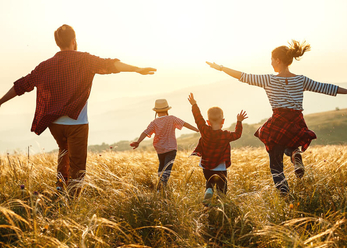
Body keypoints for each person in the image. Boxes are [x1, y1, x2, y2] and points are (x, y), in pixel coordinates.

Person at [0, 24, 156, 197]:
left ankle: (60, 189)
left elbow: (22, 85)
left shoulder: (45, 66)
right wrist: (137, 69)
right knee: (78, 165)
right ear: (74, 41)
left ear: (58, 43)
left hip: (54, 124)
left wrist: (0, 101)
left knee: (63, 152)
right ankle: (72, 200)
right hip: (77, 124)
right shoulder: (85, 60)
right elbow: (111, 65)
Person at [206, 40, 347, 195]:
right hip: (296, 122)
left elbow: (243, 76)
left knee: (276, 165)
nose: (271, 63)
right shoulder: (301, 80)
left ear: (278, 60)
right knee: (292, 143)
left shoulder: (269, 80)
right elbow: (326, 88)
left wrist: (221, 68)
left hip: (278, 122)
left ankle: (284, 193)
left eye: (272, 59)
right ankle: (295, 154)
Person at [187, 92, 248, 205]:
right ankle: (221, 202)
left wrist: (194, 104)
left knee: (209, 182)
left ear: (208, 122)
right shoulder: (226, 135)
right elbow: (237, 134)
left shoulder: (204, 130)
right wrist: (239, 121)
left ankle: (209, 191)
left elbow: (198, 118)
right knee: (222, 187)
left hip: (206, 166)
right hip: (220, 167)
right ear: (223, 121)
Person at [130, 98, 198, 189]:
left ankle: (159, 187)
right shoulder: (172, 118)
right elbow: (185, 124)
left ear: (156, 111)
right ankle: (161, 188)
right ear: (167, 109)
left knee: (161, 167)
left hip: (160, 149)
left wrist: (138, 142)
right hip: (171, 148)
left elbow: (145, 132)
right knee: (167, 169)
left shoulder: (154, 122)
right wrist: (197, 129)